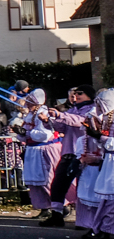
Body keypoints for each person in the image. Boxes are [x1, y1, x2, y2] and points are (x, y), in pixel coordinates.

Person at [48, 86, 94, 225]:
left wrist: (61, 115)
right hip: (68, 152)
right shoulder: (72, 109)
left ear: (89, 95)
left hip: (83, 153)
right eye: (74, 93)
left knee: (83, 186)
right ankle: (56, 214)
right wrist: (50, 120)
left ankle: (84, 219)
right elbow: (62, 127)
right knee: (58, 184)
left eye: (80, 93)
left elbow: (80, 121)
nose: (76, 96)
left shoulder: (92, 109)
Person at [18, 89, 64, 223]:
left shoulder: (43, 113)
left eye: (30, 101)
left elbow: (44, 135)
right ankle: (44, 208)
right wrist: (20, 132)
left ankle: (58, 207)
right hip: (33, 150)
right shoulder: (31, 114)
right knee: (35, 181)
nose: (27, 103)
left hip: (44, 149)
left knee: (47, 180)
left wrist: (27, 133)